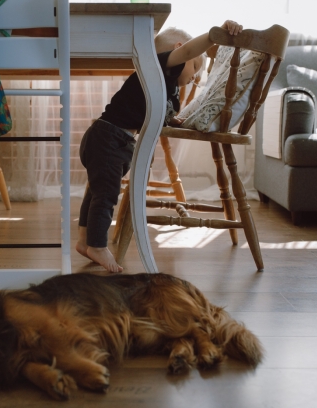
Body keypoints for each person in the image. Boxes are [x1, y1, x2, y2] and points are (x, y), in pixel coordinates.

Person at [76, 20, 243, 273]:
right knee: (106, 196)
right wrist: (214, 35)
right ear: (179, 50)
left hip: (112, 139)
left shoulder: (164, 86)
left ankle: (84, 241)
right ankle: (97, 246)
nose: (196, 76)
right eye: (197, 65)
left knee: (97, 192)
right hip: (109, 138)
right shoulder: (159, 67)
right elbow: (189, 52)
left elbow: (154, 111)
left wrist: (173, 119)